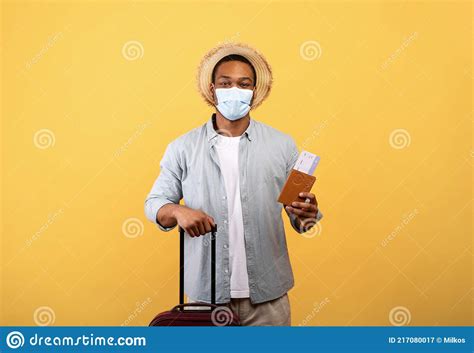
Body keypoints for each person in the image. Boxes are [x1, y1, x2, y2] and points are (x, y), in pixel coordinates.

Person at [145, 42, 323, 326]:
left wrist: (307, 214)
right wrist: (178, 211)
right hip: (206, 297)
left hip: (269, 298)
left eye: (244, 83)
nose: (235, 90)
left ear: (255, 91)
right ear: (212, 89)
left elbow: (301, 218)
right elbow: (154, 204)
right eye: (226, 83)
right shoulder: (182, 147)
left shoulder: (283, 145)